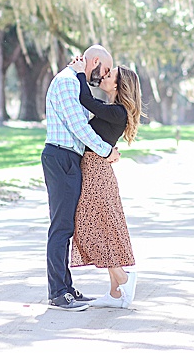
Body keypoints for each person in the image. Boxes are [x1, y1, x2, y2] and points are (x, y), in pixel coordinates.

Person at [42, 44, 121, 311]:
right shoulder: (66, 82)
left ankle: (66, 287)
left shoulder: (74, 83)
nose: (105, 75)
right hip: (60, 156)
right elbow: (79, 127)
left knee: (67, 226)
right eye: (106, 69)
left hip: (69, 159)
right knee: (61, 226)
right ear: (95, 60)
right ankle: (57, 293)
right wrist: (105, 150)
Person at [68, 58, 143, 309]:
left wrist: (79, 72)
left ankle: (123, 277)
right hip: (95, 169)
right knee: (102, 226)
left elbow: (85, 100)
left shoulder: (117, 112)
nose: (105, 76)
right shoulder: (112, 109)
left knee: (92, 226)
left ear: (118, 86)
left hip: (96, 172)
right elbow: (90, 104)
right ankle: (115, 293)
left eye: (110, 75)